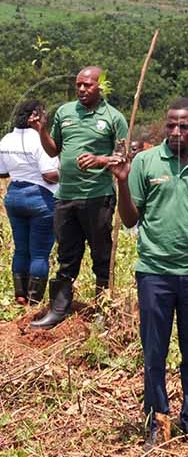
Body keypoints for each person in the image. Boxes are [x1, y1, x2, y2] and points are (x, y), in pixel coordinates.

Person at [109, 98, 188, 449]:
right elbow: (131, 220)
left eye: (185, 126)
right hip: (154, 273)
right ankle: (157, 422)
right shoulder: (146, 163)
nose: (177, 132)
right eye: (171, 125)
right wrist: (121, 183)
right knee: (154, 351)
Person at [32, 66, 128, 329]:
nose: (83, 89)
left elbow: (122, 157)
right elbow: (54, 151)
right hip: (66, 197)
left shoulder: (113, 117)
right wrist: (42, 131)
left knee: (101, 255)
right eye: (79, 85)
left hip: (98, 197)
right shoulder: (64, 112)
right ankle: (59, 309)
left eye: (88, 85)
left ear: (101, 87)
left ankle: (102, 310)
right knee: (66, 254)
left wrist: (100, 160)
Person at [0, 100, 60, 305]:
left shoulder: (6, 139)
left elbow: (2, 172)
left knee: (21, 249)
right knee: (40, 253)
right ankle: (34, 302)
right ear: (34, 116)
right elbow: (49, 175)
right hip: (40, 198)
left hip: (14, 196)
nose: (46, 118)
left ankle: (20, 296)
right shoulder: (39, 140)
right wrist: (69, 173)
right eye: (43, 114)